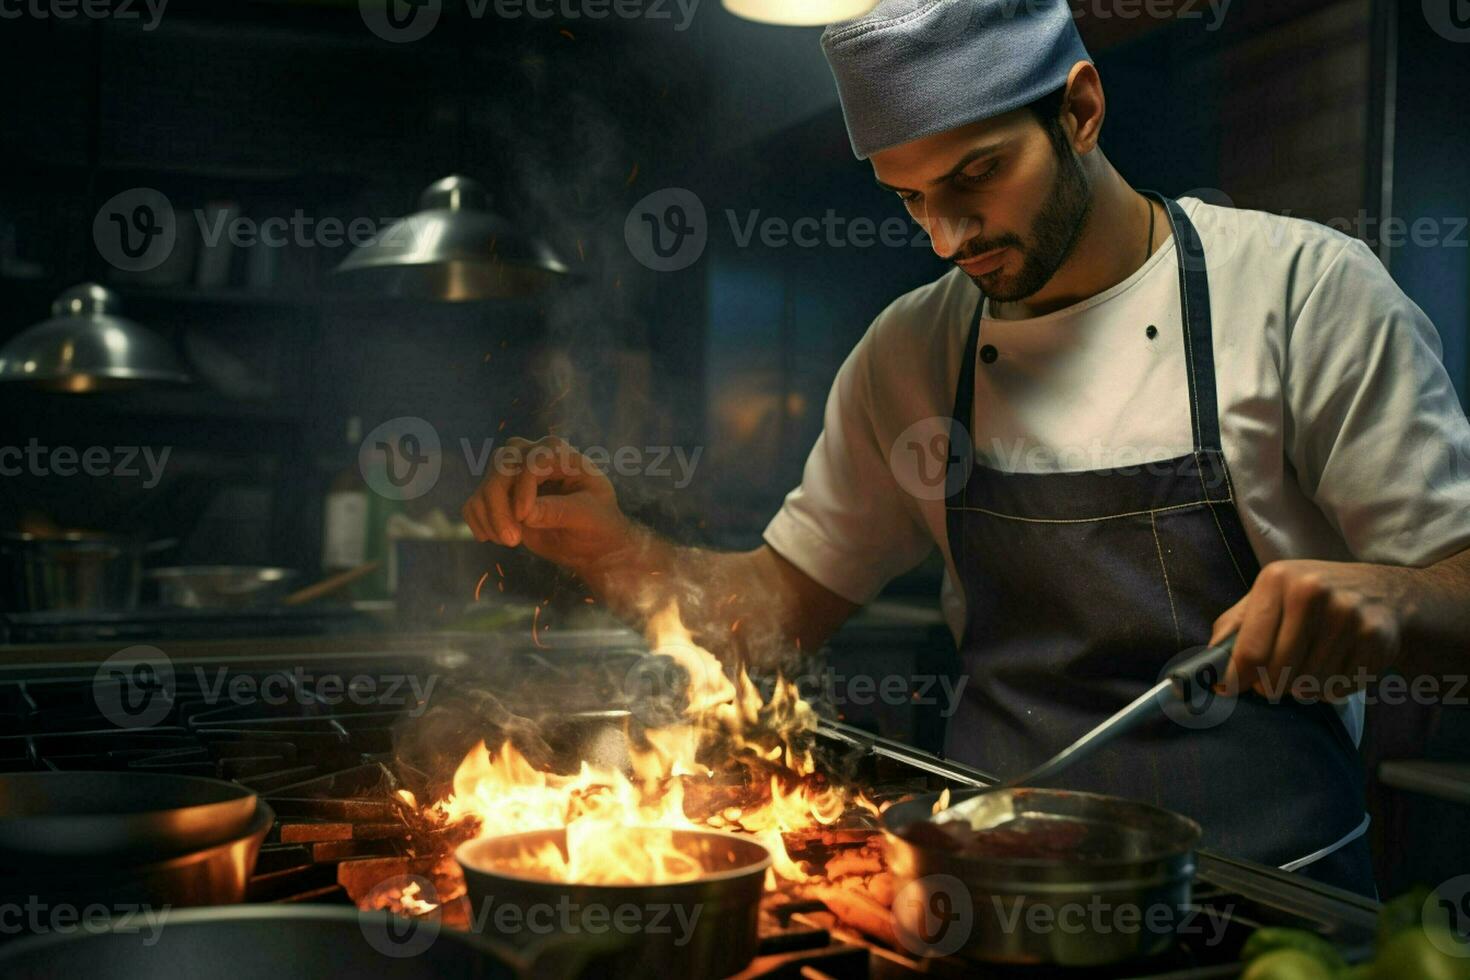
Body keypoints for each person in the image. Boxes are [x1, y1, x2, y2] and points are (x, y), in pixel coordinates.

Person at [463, 0, 1470, 896]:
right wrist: (609, 547)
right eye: (909, 199)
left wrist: (1397, 596)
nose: (946, 237)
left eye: (976, 176)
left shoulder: (1304, 293)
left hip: (1268, 897)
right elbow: (775, 610)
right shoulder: (910, 350)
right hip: (995, 901)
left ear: (1079, 109)